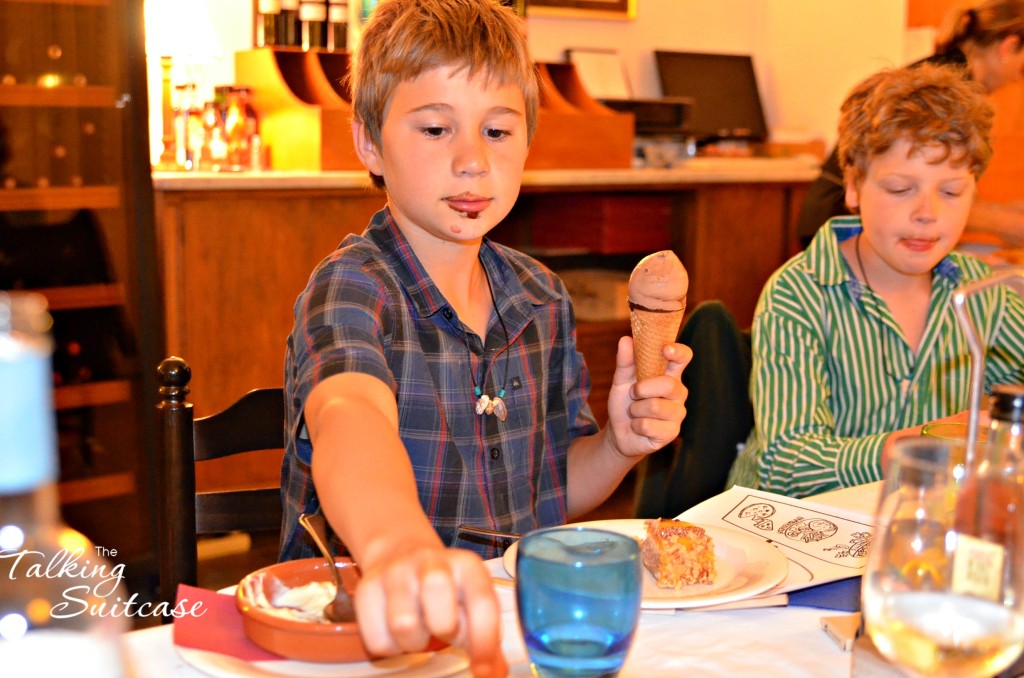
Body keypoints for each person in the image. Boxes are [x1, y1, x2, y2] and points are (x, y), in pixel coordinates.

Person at [279, 0, 691, 674]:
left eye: (498, 132)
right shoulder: (353, 289)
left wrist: (617, 445)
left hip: (504, 633)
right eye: (437, 128)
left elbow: (551, 491)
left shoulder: (540, 298)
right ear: (370, 144)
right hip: (368, 638)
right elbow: (348, 415)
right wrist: (397, 547)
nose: (472, 161)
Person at [728, 62, 1024, 499]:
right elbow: (786, 467)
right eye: (901, 188)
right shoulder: (799, 294)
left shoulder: (986, 295)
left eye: (951, 192)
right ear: (853, 186)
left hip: (920, 525)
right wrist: (929, 441)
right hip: (793, 533)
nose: (927, 213)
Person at [795, 0, 1024, 249]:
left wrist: (1003, 212)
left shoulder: (944, 76)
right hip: (844, 223)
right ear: (1008, 47)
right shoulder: (948, 92)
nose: (1017, 80)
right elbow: (926, 190)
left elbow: (935, 186)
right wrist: (1008, 223)